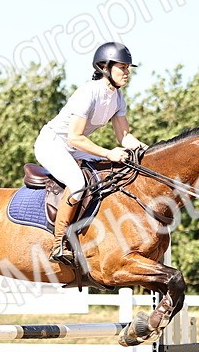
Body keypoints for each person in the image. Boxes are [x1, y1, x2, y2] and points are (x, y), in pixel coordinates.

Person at [34, 41, 147, 267]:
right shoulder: (88, 92)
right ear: (105, 67)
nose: (127, 73)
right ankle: (59, 242)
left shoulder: (117, 97)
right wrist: (108, 153)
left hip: (75, 146)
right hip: (53, 143)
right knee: (77, 183)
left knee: (113, 173)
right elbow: (74, 137)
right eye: (122, 67)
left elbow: (124, 136)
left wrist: (147, 151)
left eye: (128, 68)